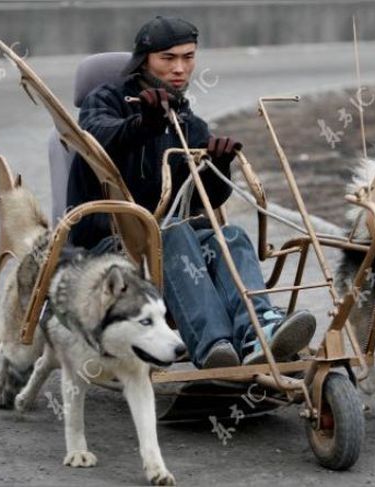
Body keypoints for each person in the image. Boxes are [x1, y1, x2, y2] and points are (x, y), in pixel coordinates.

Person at [66, 16, 315, 368]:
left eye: (188, 57)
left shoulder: (188, 122)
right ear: (144, 59)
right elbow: (96, 139)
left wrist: (218, 165)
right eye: (168, 58)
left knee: (231, 236)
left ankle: (259, 332)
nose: (180, 68)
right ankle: (213, 346)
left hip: (168, 240)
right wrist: (143, 125)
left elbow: (202, 199)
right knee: (174, 233)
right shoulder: (104, 99)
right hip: (109, 240)